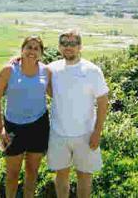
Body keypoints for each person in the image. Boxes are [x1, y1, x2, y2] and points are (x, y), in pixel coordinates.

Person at [47, 30, 109, 198]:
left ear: (80, 47)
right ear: (59, 47)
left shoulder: (92, 70)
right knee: (61, 176)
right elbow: (50, 90)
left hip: (86, 134)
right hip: (58, 133)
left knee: (85, 177)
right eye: (64, 43)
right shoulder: (52, 69)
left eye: (73, 44)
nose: (68, 47)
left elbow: (103, 102)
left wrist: (97, 132)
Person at [0, 35, 52, 198]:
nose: (32, 51)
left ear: (41, 53)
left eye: (36, 48)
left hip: (39, 125)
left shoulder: (46, 71)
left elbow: (56, 95)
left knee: (32, 173)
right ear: (22, 49)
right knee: (12, 174)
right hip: (13, 127)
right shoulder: (9, 70)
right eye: (29, 47)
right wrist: (1, 129)